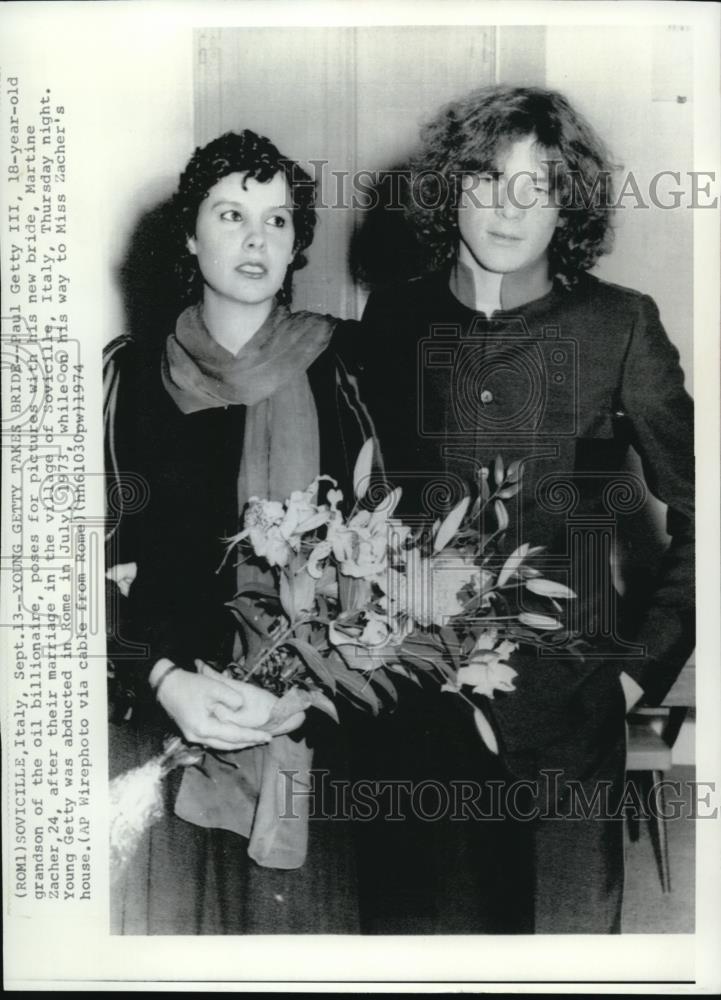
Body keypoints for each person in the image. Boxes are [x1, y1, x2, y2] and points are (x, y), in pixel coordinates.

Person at [351, 85, 695, 933]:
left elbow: (707, 513)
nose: (507, 209)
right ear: (449, 188)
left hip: (569, 719)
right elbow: (364, 504)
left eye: (535, 186)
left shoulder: (617, 325)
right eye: (485, 180)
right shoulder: (393, 315)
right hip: (416, 711)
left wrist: (632, 670)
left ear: (565, 202)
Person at [105, 129, 374, 934]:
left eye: (277, 220)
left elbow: (387, 557)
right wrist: (161, 681)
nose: (257, 240)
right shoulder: (129, 373)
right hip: (163, 713)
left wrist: (304, 693)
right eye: (230, 216)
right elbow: (81, 569)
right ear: (189, 235)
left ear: (296, 244)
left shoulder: (342, 364)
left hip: (308, 722)